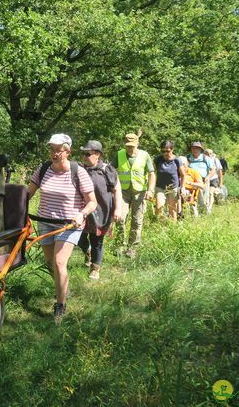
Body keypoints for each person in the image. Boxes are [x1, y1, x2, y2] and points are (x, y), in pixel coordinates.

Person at [28, 134, 97, 323]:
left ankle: (60, 305)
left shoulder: (78, 172)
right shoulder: (43, 169)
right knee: (51, 263)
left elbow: (92, 202)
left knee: (59, 262)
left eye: (58, 150)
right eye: (51, 149)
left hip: (69, 225)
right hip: (45, 222)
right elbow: (28, 193)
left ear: (68, 151)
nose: (54, 153)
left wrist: (81, 214)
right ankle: (63, 288)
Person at [76, 140, 122, 280]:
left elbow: (117, 189)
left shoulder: (107, 170)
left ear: (97, 155)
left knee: (97, 240)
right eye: (83, 154)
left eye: (88, 154)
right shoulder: (78, 169)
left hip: (101, 211)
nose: (84, 157)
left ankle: (95, 268)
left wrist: (118, 209)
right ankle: (87, 250)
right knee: (78, 237)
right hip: (81, 210)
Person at [110, 133, 156, 259]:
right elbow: (110, 170)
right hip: (122, 193)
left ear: (137, 144)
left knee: (137, 220)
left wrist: (150, 190)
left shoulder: (144, 155)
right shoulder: (119, 154)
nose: (130, 149)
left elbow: (152, 173)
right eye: (128, 146)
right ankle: (120, 245)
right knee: (120, 218)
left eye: (132, 146)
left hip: (139, 193)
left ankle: (132, 247)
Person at [154, 140, 185, 221]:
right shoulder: (158, 160)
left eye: (167, 151)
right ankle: (161, 224)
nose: (165, 153)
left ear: (172, 150)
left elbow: (183, 175)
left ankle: (173, 228)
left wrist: (182, 188)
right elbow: (153, 173)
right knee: (158, 207)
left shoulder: (177, 160)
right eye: (163, 151)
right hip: (160, 187)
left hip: (173, 187)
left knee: (172, 208)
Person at [186, 142, 215, 214]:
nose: (195, 150)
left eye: (197, 148)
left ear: (200, 149)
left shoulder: (205, 158)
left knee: (204, 200)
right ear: (191, 149)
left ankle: (205, 214)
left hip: (203, 181)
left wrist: (208, 177)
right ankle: (194, 215)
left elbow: (213, 169)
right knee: (192, 198)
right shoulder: (188, 158)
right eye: (193, 148)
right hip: (191, 182)